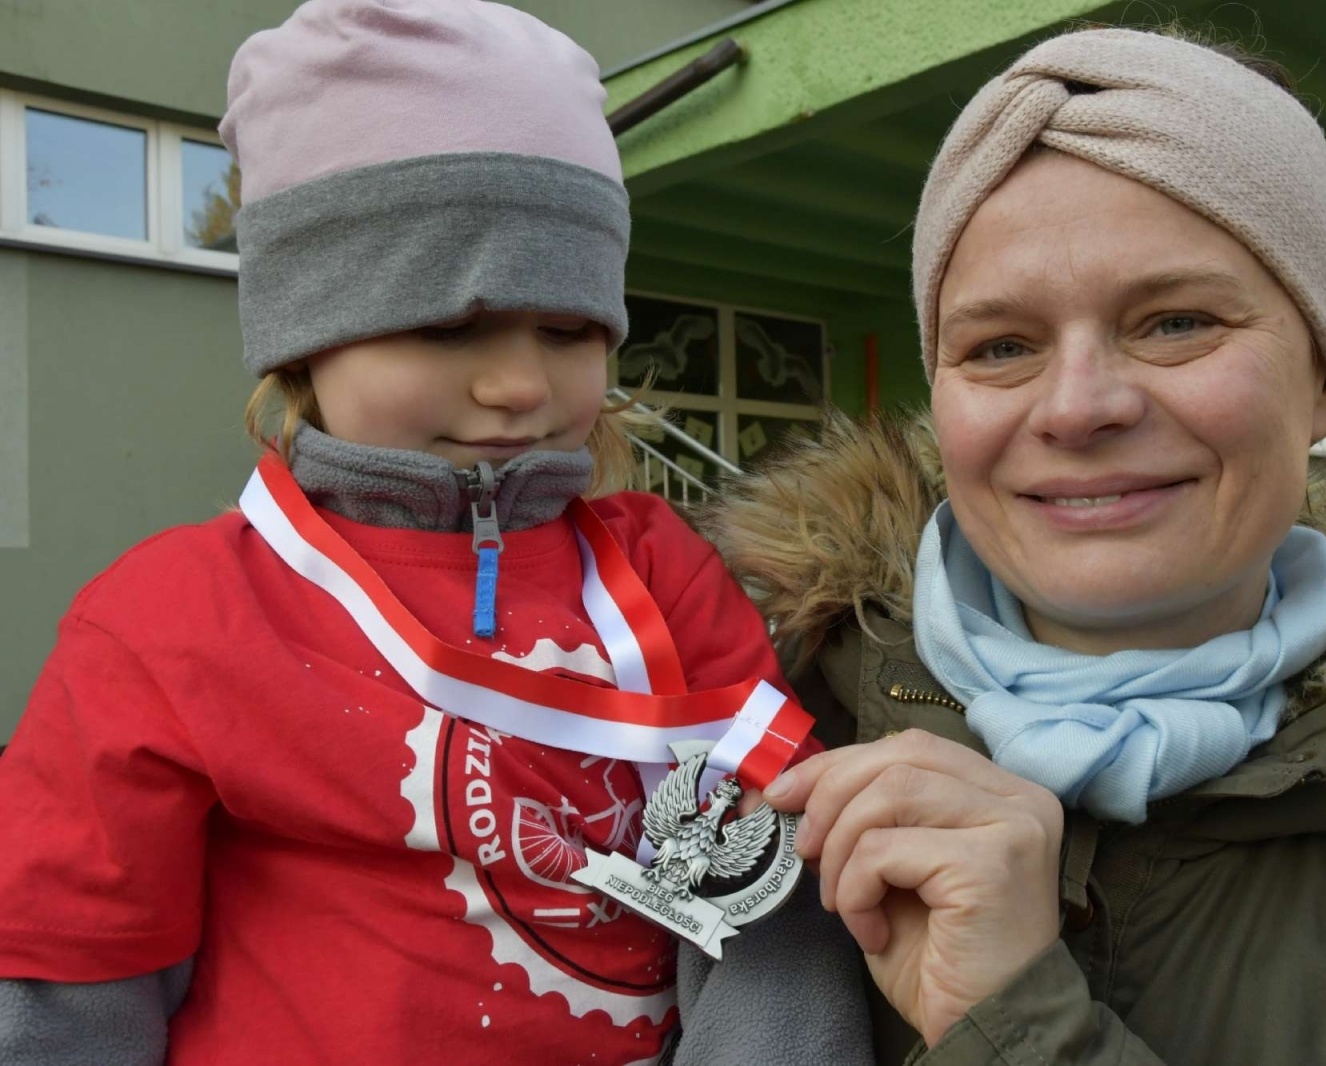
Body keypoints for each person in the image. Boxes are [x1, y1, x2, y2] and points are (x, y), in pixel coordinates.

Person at [704, 27, 1326, 1065]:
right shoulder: (737, 724)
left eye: (1175, 323)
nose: (1078, 407)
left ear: (1323, 378)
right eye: (1000, 346)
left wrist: (1015, 1022)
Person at [0, 3, 867, 1064]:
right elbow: (76, 969)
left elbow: (764, 903)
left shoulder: (660, 572)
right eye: (448, 326)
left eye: (568, 329)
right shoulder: (170, 617)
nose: (517, 385)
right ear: (306, 339)